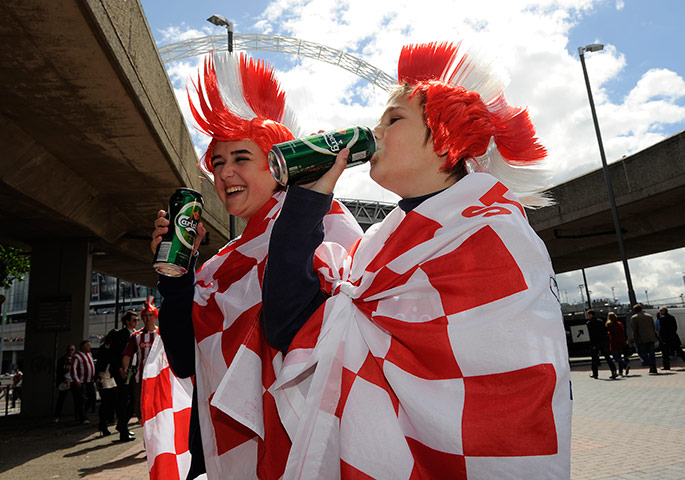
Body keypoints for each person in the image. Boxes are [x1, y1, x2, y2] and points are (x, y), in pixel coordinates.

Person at [261, 41, 572, 478]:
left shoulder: (492, 232)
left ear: (446, 139)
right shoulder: (375, 246)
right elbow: (287, 323)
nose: (376, 131)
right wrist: (308, 200)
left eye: (394, 119)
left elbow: (506, 387)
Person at [148, 51, 363, 480]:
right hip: (224, 457)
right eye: (218, 162)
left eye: (241, 158)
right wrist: (176, 278)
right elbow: (187, 360)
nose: (226, 173)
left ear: (278, 164)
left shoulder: (322, 223)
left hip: (300, 454)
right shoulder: (222, 262)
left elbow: (301, 333)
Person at [121, 298, 158, 422]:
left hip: (159, 377)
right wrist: (125, 368)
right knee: (140, 406)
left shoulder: (161, 334)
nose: (148, 318)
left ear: (155, 316)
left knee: (158, 406)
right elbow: (127, 355)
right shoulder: (136, 336)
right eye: (146, 316)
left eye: (151, 315)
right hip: (140, 377)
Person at [110, 310, 139, 441]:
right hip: (123, 371)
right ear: (127, 321)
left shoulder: (135, 334)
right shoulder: (122, 335)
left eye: (137, 320)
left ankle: (122, 425)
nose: (136, 322)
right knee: (123, 400)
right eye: (134, 320)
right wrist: (120, 368)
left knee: (133, 399)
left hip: (132, 370)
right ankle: (123, 430)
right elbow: (114, 353)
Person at [95, 329, 118, 436]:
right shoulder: (106, 348)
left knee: (111, 401)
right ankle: (103, 424)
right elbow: (99, 363)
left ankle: (106, 421)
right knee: (105, 402)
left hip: (110, 377)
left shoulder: (109, 348)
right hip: (104, 376)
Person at [586, 310, 618, 379]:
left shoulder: (589, 323)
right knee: (607, 357)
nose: (588, 316)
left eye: (588, 315)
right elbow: (605, 331)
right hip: (604, 341)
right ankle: (614, 371)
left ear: (591, 315)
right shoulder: (600, 321)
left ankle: (595, 373)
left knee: (594, 358)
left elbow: (592, 335)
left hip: (596, 343)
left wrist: (593, 344)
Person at [70, 340, 96, 424]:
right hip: (81, 381)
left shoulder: (90, 354)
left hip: (90, 381)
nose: (90, 347)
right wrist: (76, 380)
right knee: (81, 399)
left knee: (92, 397)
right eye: (88, 346)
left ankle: (83, 412)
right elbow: (73, 369)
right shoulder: (77, 356)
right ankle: (83, 417)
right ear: (83, 347)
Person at [631, 304, 658, 374]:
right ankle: (653, 367)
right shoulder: (649, 316)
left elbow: (634, 329)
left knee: (642, 353)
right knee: (652, 353)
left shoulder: (634, 318)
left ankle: (651, 364)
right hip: (651, 336)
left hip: (641, 338)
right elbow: (653, 326)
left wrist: (635, 338)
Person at [53, 344, 76, 421]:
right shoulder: (62, 360)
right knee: (61, 399)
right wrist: (64, 380)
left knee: (78, 399)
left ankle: (79, 416)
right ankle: (57, 416)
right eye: (69, 350)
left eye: (72, 350)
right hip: (65, 381)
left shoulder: (75, 359)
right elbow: (59, 371)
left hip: (73, 381)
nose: (70, 351)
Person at [605, 312, 630, 376]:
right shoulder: (619, 324)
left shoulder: (609, 324)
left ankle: (625, 365)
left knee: (616, 358)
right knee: (619, 357)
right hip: (621, 342)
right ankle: (621, 371)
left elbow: (608, 334)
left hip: (613, 342)